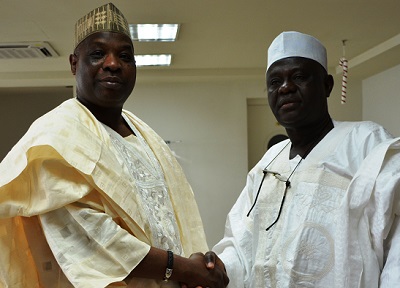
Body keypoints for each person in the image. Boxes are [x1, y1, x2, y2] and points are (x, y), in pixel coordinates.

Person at [0, 3, 228, 288]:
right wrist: (182, 268)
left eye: (125, 56)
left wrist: (200, 263)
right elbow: (90, 239)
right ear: (74, 63)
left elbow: (169, 221)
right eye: (97, 54)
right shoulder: (55, 135)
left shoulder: (144, 135)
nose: (112, 64)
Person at [208, 31, 400, 287]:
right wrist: (217, 267)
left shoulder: (366, 143)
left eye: (299, 77)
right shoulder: (267, 164)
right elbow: (241, 240)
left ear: (327, 85)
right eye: (275, 82)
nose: (285, 87)